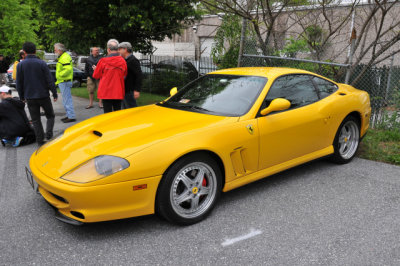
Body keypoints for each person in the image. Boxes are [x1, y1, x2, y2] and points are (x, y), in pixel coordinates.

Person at [16, 42, 58, 146]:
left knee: (35, 120)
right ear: (35, 51)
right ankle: (48, 135)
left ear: (24, 52)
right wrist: (54, 93)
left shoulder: (20, 65)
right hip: (43, 95)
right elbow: (49, 80)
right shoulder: (42, 63)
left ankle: (40, 140)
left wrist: (22, 97)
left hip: (30, 97)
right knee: (50, 115)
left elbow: (19, 83)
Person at [92, 39, 127, 113]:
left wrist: (96, 69)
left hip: (106, 92)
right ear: (118, 49)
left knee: (107, 113)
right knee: (117, 113)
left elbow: (96, 75)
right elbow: (124, 74)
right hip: (118, 91)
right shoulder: (123, 61)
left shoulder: (102, 61)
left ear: (108, 50)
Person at [54, 43, 76, 123]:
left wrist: (59, 75)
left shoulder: (65, 57)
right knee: (66, 100)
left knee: (67, 100)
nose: (54, 51)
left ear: (59, 50)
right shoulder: (64, 56)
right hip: (63, 81)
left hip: (64, 81)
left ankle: (71, 116)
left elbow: (68, 69)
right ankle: (69, 115)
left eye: (55, 49)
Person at [118, 42, 142, 108]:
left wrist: (137, 90)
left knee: (131, 110)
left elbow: (139, 76)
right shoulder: (125, 60)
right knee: (125, 110)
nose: (118, 50)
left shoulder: (133, 60)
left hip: (130, 91)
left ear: (125, 49)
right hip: (124, 90)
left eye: (120, 49)